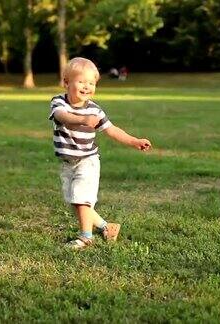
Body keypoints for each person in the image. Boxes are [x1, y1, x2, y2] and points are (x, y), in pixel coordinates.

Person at [48, 57, 152, 249]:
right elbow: (62, 117)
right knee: (75, 203)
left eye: (91, 83)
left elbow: (112, 130)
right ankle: (106, 226)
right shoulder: (59, 102)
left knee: (81, 200)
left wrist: (134, 141)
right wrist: (83, 120)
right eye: (81, 82)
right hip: (67, 163)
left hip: (87, 161)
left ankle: (86, 237)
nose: (86, 87)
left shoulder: (96, 110)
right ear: (66, 82)